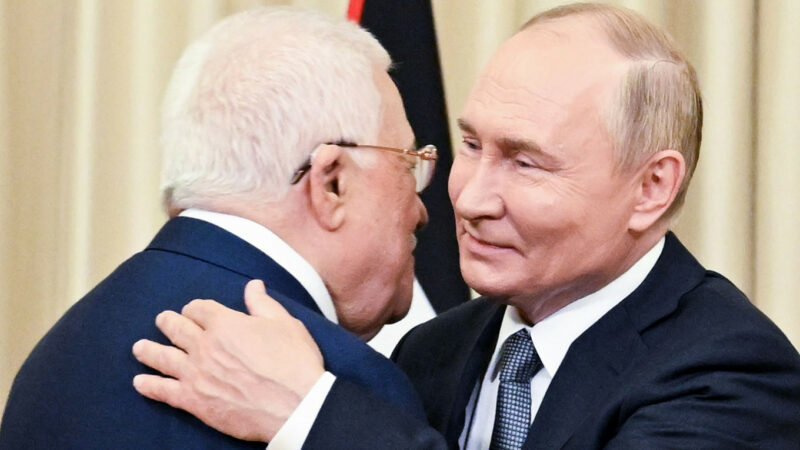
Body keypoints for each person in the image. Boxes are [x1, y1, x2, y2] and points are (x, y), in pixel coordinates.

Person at [132, 2, 800, 449]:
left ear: (650, 189)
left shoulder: (731, 374)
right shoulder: (430, 352)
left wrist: (309, 415)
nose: (470, 197)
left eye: (525, 162)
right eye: (472, 145)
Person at [0, 6, 441, 449]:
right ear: (332, 184)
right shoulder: (344, 392)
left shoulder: (56, 356)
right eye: (408, 164)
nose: (423, 211)